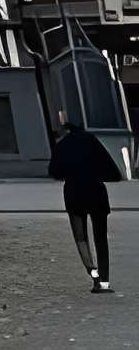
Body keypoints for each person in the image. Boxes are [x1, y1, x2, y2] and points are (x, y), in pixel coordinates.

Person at [49, 114, 121, 292]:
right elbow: (113, 172)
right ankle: (105, 281)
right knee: (100, 238)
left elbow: (54, 171)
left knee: (81, 237)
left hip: (74, 193)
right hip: (96, 191)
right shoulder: (91, 141)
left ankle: (93, 273)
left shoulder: (62, 145)